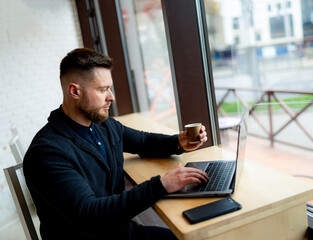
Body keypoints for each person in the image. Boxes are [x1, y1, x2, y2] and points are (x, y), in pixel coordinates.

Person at [23, 48, 209, 240]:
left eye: (109, 88)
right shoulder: (47, 153)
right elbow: (90, 214)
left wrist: (179, 142)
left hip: (120, 232)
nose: (111, 97)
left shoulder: (102, 125)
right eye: (103, 90)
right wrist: (161, 185)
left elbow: (143, 142)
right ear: (74, 91)